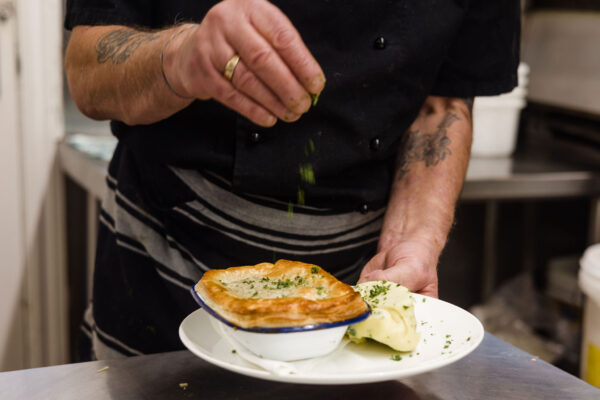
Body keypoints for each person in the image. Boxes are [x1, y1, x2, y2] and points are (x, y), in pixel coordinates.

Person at [64, 0, 520, 359]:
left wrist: (414, 242)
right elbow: (87, 74)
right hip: (167, 265)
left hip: (356, 286)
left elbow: (442, 105)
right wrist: (182, 56)